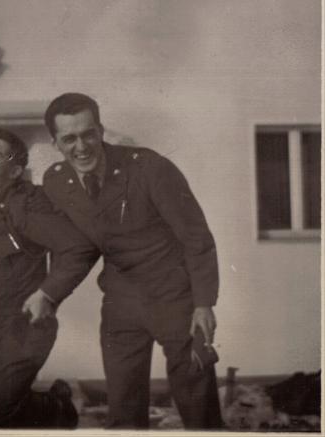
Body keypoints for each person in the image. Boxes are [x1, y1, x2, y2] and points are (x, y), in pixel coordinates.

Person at [41, 93, 223, 429]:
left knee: (198, 404)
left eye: (88, 134)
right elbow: (76, 248)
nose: (81, 147)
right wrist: (48, 293)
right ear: (55, 143)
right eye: (69, 138)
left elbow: (196, 237)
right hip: (120, 301)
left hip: (174, 296)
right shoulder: (56, 182)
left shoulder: (149, 167)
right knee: (123, 403)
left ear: (101, 130)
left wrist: (203, 303)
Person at [0, 127, 98, 428]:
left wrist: (48, 294)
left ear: (15, 171)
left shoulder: (24, 203)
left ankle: (56, 409)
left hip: (25, 329)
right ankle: (54, 406)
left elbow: (78, 247)